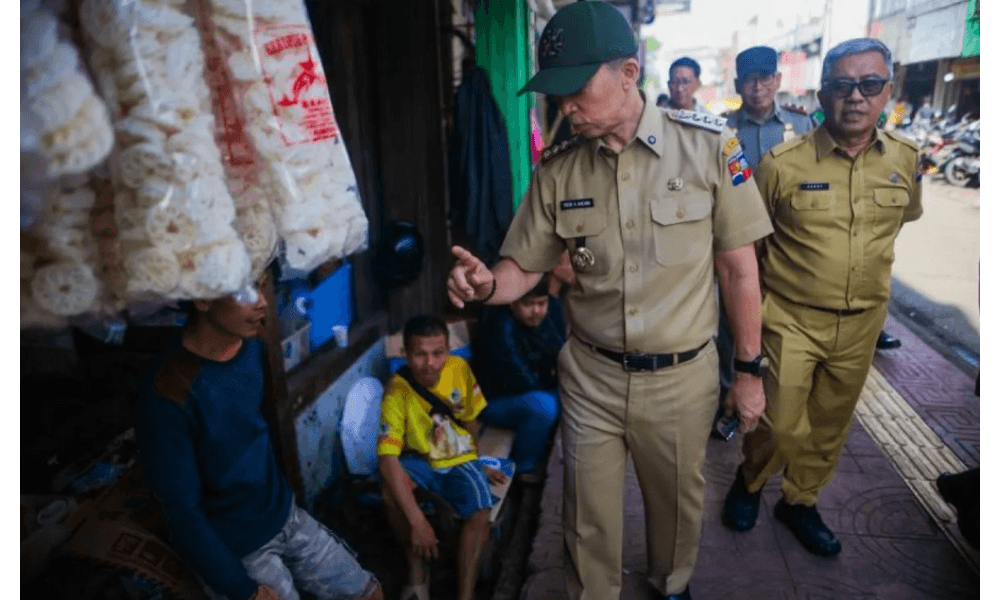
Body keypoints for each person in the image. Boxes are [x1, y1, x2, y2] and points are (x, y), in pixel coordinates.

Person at [446, 3, 774, 599]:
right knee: (587, 516)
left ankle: (671, 584)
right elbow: (524, 265)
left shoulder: (708, 147)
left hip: (681, 379)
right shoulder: (559, 169)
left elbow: (739, 269)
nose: (565, 106)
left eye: (577, 88)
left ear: (628, 72)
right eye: (557, 92)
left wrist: (749, 370)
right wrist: (487, 285)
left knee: (675, 507)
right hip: (591, 376)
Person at [722, 38, 923, 558]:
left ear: (888, 91)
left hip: (862, 323)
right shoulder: (781, 164)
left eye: (869, 85)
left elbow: (899, 222)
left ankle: (800, 501)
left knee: (830, 425)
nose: (856, 97)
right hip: (791, 318)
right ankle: (750, 480)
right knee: (779, 423)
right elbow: (750, 250)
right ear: (822, 93)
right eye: (842, 86)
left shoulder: (905, 159)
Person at [135, 275, 383, 600]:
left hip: (282, 513)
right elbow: (181, 513)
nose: (263, 301)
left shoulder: (253, 345)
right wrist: (243, 589)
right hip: (237, 545)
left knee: (369, 593)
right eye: (244, 290)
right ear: (203, 298)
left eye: (262, 285)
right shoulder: (169, 394)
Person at [711, 46, 815, 438]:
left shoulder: (800, 126)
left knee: (784, 319)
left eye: (765, 79)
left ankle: (777, 397)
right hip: (739, 243)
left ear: (778, 80)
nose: (758, 88)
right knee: (732, 320)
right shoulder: (722, 132)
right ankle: (730, 397)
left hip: (788, 243)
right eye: (750, 81)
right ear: (739, 85)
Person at [377, 315, 507, 600]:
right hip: (419, 459)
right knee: (390, 491)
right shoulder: (396, 390)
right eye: (420, 354)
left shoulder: (459, 369)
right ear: (405, 353)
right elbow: (387, 459)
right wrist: (418, 522)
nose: (430, 363)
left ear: (448, 349)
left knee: (480, 509)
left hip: (459, 457)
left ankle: (465, 594)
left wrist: (478, 462)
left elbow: (471, 422)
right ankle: (417, 573)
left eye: (438, 353)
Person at [473, 274, 566, 481]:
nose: (536, 310)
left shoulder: (547, 316)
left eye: (541, 303)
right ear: (512, 303)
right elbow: (518, 377)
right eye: (528, 304)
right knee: (544, 406)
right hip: (495, 400)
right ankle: (525, 468)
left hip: (532, 392)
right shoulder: (498, 324)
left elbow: (561, 352)